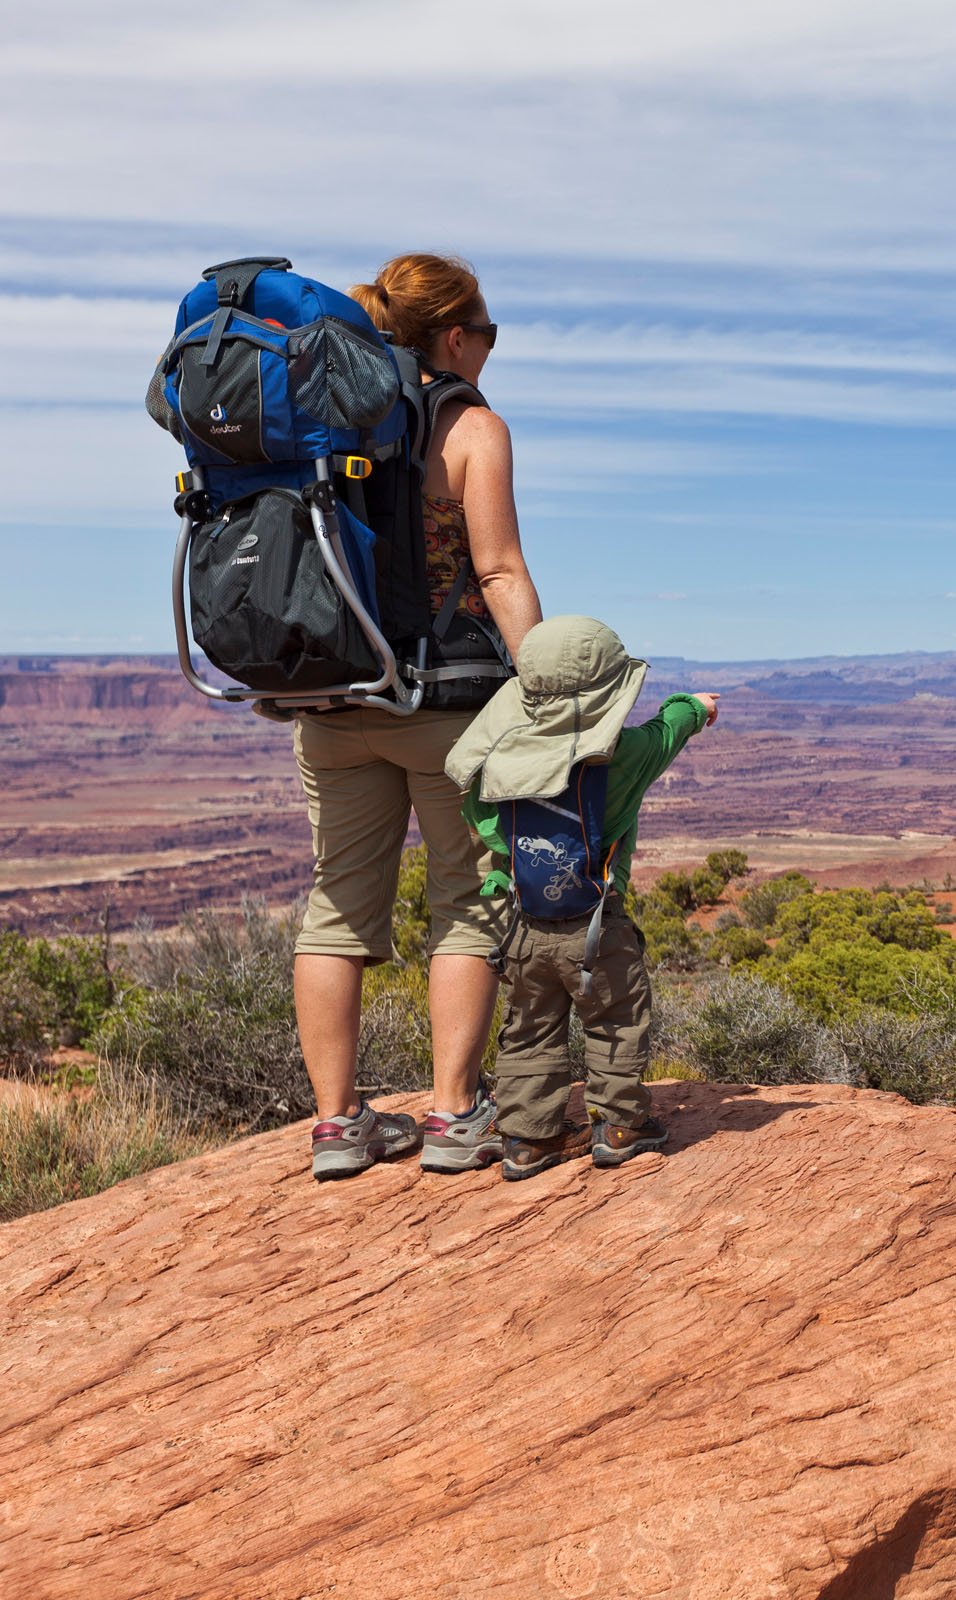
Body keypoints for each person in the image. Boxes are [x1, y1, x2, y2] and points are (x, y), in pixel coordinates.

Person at [301, 253, 542, 1181]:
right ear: (454, 336)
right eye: (487, 335)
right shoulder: (473, 426)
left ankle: (336, 1127)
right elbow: (500, 573)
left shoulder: (323, 417)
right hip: (448, 708)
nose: (488, 352)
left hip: (333, 701)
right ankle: (452, 1115)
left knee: (334, 911)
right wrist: (555, 691)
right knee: (468, 905)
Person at [445, 617, 720, 1180]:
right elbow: (669, 728)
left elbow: (483, 817)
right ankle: (619, 1126)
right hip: (598, 927)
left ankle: (527, 1138)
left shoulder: (501, 757)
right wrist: (695, 706)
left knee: (529, 1029)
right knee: (616, 1020)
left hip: (524, 926)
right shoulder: (626, 754)